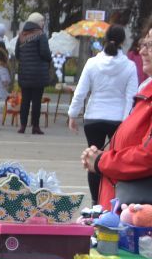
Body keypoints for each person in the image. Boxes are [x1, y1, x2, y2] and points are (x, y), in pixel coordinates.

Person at [69, 25, 138, 205]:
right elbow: (131, 97)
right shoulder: (129, 66)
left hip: (94, 117)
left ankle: (95, 202)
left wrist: (72, 114)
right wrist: (126, 122)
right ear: (123, 42)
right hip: (117, 120)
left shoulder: (92, 63)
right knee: (117, 162)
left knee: (93, 161)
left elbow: (81, 91)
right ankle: (116, 201)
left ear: (104, 39)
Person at [84, 33, 152, 212]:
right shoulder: (144, 89)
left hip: (137, 215)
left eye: (150, 45)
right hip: (124, 207)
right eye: (143, 44)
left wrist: (101, 160)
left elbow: (148, 157)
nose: (143, 51)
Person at [13, 12, 52, 134]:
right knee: (36, 101)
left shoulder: (21, 36)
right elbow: (45, 53)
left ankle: (23, 125)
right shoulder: (41, 35)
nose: (43, 24)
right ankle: (35, 126)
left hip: (24, 73)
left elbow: (17, 54)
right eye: (41, 21)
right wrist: (49, 59)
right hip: (38, 74)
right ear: (37, 22)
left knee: (25, 101)